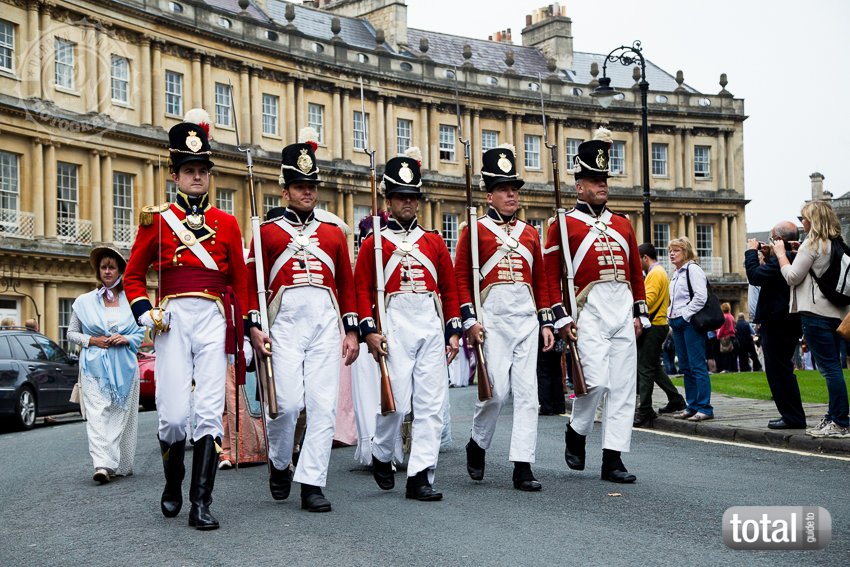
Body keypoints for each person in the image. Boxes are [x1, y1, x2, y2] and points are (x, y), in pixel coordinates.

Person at [124, 108, 250, 530]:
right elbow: (133, 275)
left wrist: (244, 331)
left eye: (202, 170)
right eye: (189, 170)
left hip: (214, 316)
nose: (197, 177)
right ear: (175, 175)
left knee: (210, 411)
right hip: (173, 317)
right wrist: (145, 311)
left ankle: (201, 502)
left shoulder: (227, 223)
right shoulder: (158, 221)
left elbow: (240, 281)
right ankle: (173, 480)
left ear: (209, 175)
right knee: (174, 415)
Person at [248, 128, 360, 513]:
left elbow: (347, 284)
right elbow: (251, 284)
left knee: (323, 407)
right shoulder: (265, 232)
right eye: (299, 186)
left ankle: (312, 482)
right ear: (285, 190)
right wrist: (253, 325)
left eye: (311, 186)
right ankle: (280, 461)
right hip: (284, 325)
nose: (307, 192)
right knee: (288, 404)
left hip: (325, 325)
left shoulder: (332, 234)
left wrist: (351, 331)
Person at [354, 148, 462, 501]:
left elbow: (449, 288)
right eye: (401, 196)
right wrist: (369, 331)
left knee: (430, 407)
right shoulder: (374, 243)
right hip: (394, 323)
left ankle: (420, 476)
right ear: (388, 200)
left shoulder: (433, 241)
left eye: (413, 197)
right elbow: (360, 289)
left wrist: (452, 331)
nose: (408, 202)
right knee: (397, 403)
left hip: (428, 322)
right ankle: (382, 451)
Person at [543, 129, 649, 484]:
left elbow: (634, 271)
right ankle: (577, 429)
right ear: (579, 186)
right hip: (587, 310)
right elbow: (550, 276)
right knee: (596, 383)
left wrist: (640, 312)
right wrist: (559, 316)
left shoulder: (622, 224)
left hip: (621, 308)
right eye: (593, 179)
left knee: (623, 388)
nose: (602, 185)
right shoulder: (563, 224)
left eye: (604, 179)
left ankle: (613, 458)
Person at [454, 145, 555, 492]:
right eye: (503, 189)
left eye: (514, 189)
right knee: (495, 393)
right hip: (492, 319)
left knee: (529, 395)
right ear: (489, 195)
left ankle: (522, 465)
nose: (512, 194)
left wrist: (546, 321)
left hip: (526, 318)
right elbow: (461, 278)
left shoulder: (530, 233)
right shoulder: (474, 230)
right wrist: (470, 320)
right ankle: (477, 442)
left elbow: (541, 281)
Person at [67, 246, 144, 484]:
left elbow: (141, 332)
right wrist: (93, 340)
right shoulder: (84, 301)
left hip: (124, 367)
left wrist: (126, 339)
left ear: (120, 270)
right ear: (98, 271)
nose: (107, 271)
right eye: (103, 267)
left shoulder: (132, 301)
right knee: (97, 415)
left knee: (119, 416)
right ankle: (102, 464)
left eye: (112, 267)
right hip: (93, 367)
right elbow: (71, 333)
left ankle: (115, 462)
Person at [773, 200, 850, 437]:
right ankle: (833, 416)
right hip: (836, 313)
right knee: (834, 366)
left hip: (815, 313)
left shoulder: (812, 243)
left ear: (813, 220)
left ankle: (840, 421)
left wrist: (781, 256)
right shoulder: (837, 243)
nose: (802, 222)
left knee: (829, 370)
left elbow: (793, 277)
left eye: (803, 218)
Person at [745, 221, 806, 429]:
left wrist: (751, 252)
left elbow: (755, 276)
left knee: (779, 372)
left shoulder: (785, 259)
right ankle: (792, 416)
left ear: (779, 240)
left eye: (772, 239)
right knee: (782, 370)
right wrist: (769, 254)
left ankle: (792, 417)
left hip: (778, 323)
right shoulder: (793, 257)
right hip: (786, 321)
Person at [634, 243, 686, 426]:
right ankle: (676, 399)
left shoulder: (655, 274)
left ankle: (645, 410)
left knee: (645, 368)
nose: (636, 263)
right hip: (659, 324)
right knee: (654, 367)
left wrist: (632, 306)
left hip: (654, 325)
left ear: (645, 257)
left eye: (637, 259)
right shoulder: (658, 272)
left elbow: (648, 300)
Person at [667, 237, 714, 421]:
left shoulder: (693, 270)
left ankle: (705, 408)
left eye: (676, 250)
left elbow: (701, 296)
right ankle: (692, 406)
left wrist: (685, 314)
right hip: (676, 322)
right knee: (685, 367)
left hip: (689, 322)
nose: (671, 254)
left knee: (697, 366)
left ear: (685, 252)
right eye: (670, 251)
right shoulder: (676, 273)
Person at [716, 303, 738, 372]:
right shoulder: (731, 316)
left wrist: (718, 336)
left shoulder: (724, 317)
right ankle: (733, 368)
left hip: (725, 336)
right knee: (731, 354)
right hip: (732, 336)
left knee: (725, 353)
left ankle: (727, 369)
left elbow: (722, 328)